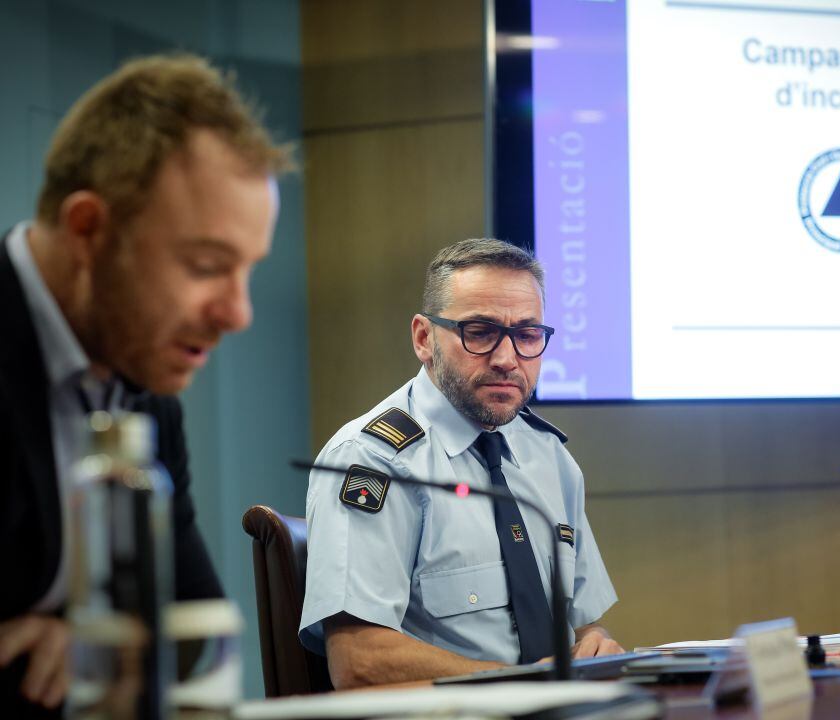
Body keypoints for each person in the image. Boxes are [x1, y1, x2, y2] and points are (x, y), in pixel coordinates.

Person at [0, 54, 292, 714]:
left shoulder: (144, 388)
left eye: (248, 271)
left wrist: (84, 642)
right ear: (87, 230)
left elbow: (192, 636)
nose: (238, 313)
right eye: (206, 265)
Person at [301, 238, 622, 688]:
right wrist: (522, 684)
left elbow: (583, 623)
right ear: (423, 338)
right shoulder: (371, 460)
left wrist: (596, 642)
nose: (508, 359)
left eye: (528, 334)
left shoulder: (549, 457)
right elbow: (359, 661)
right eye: (480, 332)